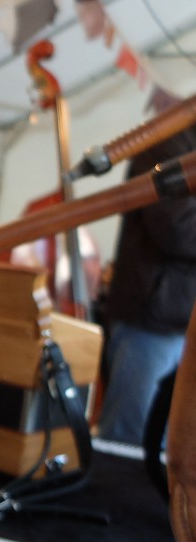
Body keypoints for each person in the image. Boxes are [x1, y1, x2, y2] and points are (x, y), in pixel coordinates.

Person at [96, 126, 196, 446]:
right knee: (129, 441)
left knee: (175, 445)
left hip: (182, 321)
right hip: (151, 321)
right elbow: (177, 227)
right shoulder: (166, 142)